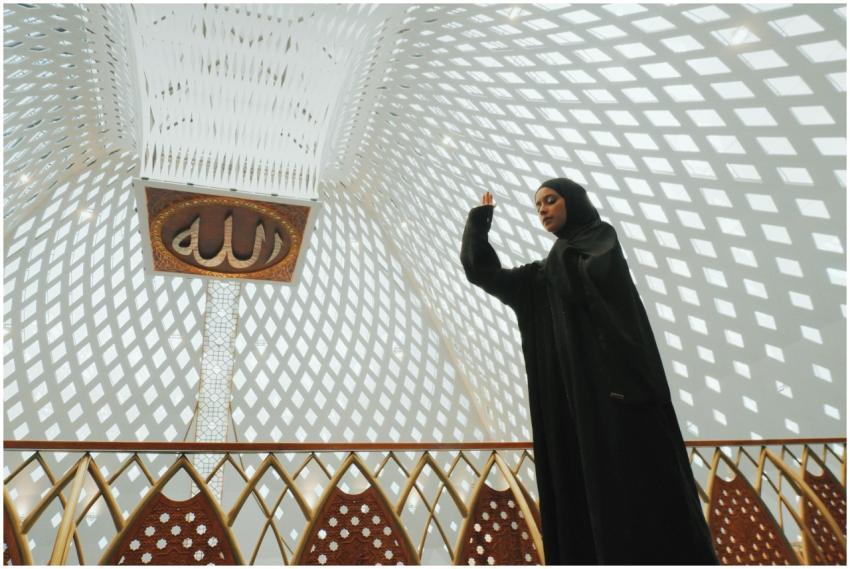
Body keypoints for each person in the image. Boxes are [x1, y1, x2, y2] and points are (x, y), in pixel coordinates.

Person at [460, 179, 718, 565]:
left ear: (573, 203)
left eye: (551, 200)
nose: (544, 209)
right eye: (538, 206)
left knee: (636, 500)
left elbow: (601, 281)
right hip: (574, 416)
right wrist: (479, 223)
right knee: (584, 499)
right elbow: (485, 273)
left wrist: (557, 265)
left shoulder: (598, 242)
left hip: (618, 406)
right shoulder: (541, 276)